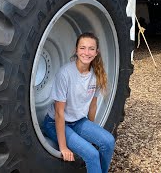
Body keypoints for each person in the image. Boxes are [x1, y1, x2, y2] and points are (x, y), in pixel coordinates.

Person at [43, 32, 115, 173]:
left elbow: (92, 106)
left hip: (78, 121)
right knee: (92, 154)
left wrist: (92, 133)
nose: (86, 52)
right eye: (82, 48)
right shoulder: (65, 74)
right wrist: (63, 147)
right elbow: (59, 112)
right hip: (55, 123)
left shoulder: (96, 75)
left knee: (108, 141)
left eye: (91, 49)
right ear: (76, 50)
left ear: (96, 52)